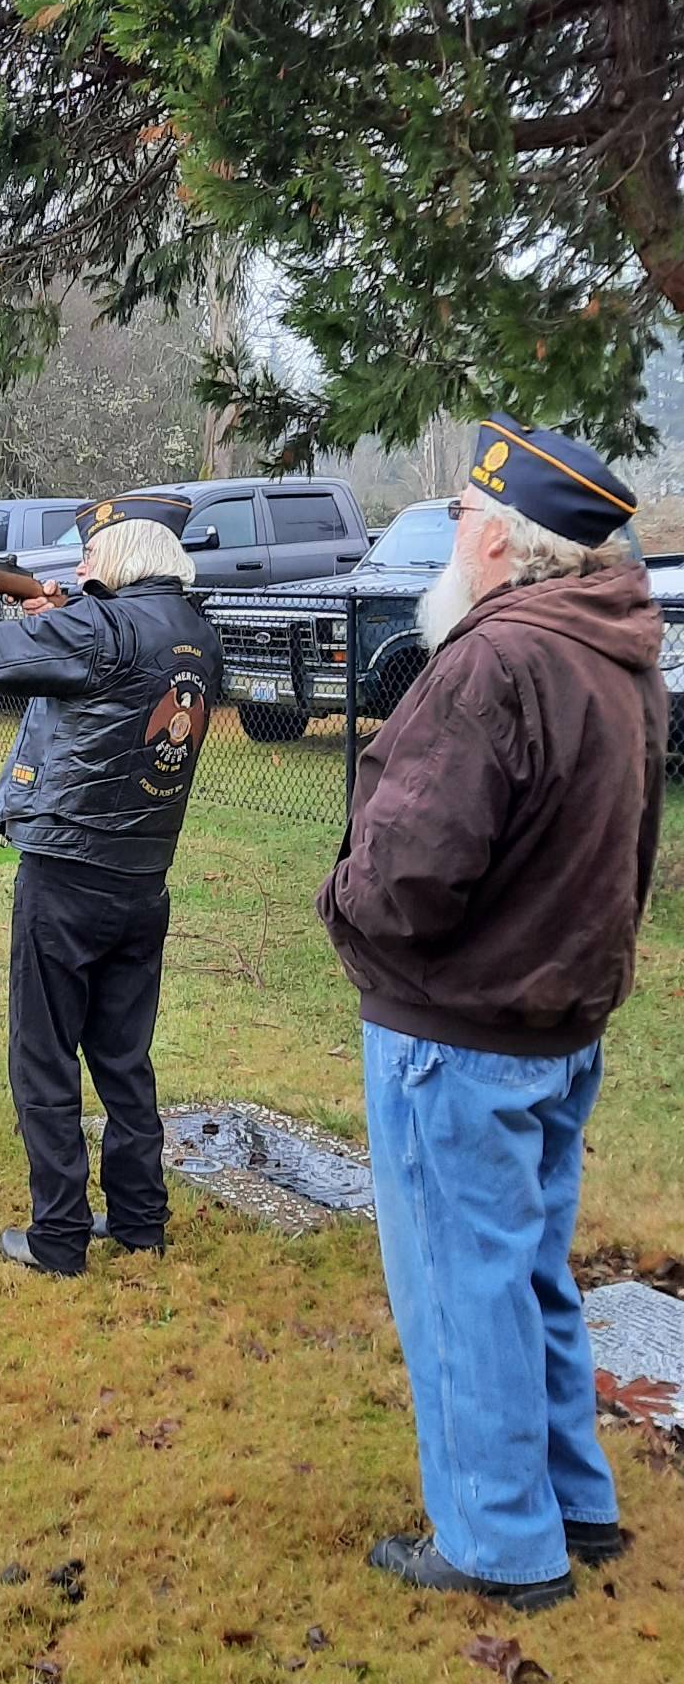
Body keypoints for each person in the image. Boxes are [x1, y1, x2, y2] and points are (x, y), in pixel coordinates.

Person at [317, 416, 666, 1613]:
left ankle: (501, 1543)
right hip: (557, 1019)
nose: (453, 537)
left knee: (464, 1283)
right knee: (529, 1273)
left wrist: (345, 914)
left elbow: (406, 872)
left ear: (509, 542)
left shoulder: (494, 660)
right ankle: (576, 1499)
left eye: (467, 518)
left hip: (459, 1029)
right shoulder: (618, 651)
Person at [0, 494, 222, 1275]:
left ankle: (59, 1235)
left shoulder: (99, 629)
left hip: (68, 871)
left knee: (42, 1057)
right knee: (123, 1058)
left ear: (128, 554)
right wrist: (65, 614)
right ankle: (140, 1219)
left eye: (92, 554)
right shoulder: (196, 633)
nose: (79, 566)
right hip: (144, 875)